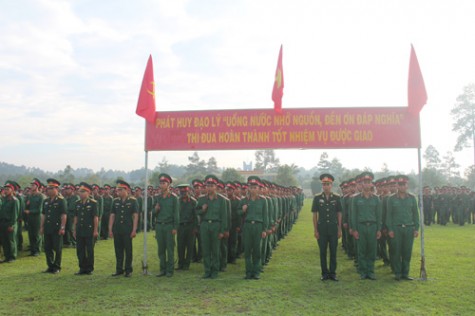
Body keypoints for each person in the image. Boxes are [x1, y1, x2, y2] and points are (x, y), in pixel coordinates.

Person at [386, 175, 420, 281]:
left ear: (407, 185)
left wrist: (416, 228)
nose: (401, 187)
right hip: (396, 228)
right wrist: (390, 229)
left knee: (407, 251)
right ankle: (397, 273)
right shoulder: (391, 199)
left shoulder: (412, 198)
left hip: (409, 228)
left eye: (403, 184)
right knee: (396, 251)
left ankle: (405, 273)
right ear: (397, 186)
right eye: (399, 185)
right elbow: (389, 215)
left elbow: (415, 214)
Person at [350, 172, 382, 280]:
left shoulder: (376, 199)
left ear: (371, 184)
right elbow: (353, 215)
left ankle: (371, 271)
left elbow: (379, 215)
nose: (367, 185)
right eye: (365, 182)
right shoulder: (356, 199)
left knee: (372, 250)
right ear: (362, 184)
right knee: (362, 250)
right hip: (361, 226)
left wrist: (378, 229)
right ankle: (363, 272)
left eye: (369, 182)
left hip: (373, 227)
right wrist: (354, 229)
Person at [312, 174, 342, 281]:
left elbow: (339, 214)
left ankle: (332, 273)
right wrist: (315, 230)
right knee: (323, 252)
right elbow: (315, 215)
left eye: (328, 184)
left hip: (333, 229)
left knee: (333, 252)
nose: (326, 186)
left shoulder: (337, 197)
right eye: (324, 184)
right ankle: (324, 273)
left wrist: (339, 229)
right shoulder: (317, 198)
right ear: (322, 185)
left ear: (331, 185)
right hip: (322, 230)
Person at [196, 175, 227, 279]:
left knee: (215, 250)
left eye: (212, 185)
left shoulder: (222, 200)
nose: (209, 188)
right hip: (204, 225)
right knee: (206, 249)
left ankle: (215, 271)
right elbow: (196, 211)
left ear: (216, 186)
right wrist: (202, 210)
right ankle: (207, 270)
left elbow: (224, 216)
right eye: (208, 185)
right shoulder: (201, 199)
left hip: (216, 225)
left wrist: (222, 231)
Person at [238, 176, 268, 280]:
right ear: (248, 189)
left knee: (256, 250)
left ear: (259, 189)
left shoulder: (263, 201)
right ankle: (248, 272)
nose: (253, 189)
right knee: (247, 250)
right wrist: (243, 210)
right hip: (247, 226)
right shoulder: (243, 201)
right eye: (251, 187)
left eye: (255, 187)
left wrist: (264, 230)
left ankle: (256, 272)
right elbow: (238, 213)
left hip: (258, 226)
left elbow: (265, 216)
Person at [109, 180, 138, 277]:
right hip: (117, 229)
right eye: (117, 190)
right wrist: (110, 229)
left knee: (128, 250)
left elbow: (135, 216)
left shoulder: (133, 201)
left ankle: (128, 270)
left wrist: (134, 230)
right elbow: (112, 215)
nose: (118, 192)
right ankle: (119, 269)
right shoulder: (115, 201)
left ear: (126, 190)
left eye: (120, 190)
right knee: (118, 250)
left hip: (127, 229)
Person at [154, 173, 179, 277]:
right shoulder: (158, 198)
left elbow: (176, 214)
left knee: (170, 248)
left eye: (164, 183)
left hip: (169, 226)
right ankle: (162, 269)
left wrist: (175, 227)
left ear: (168, 184)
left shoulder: (173, 198)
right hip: (159, 225)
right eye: (160, 183)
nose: (162, 185)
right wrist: (155, 210)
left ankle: (170, 270)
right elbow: (153, 212)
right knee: (161, 249)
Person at [40, 179, 67, 273]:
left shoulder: (61, 201)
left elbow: (63, 215)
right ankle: (50, 266)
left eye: (51, 188)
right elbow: (43, 214)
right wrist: (41, 226)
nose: (49, 190)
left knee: (57, 248)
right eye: (48, 188)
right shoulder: (46, 201)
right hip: (47, 227)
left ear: (57, 189)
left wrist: (62, 227)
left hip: (57, 228)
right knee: (47, 247)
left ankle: (57, 266)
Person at [73, 182, 99, 275]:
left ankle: (89, 268)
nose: (80, 193)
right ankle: (82, 267)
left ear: (88, 192)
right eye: (79, 191)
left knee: (89, 250)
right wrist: (74, 229)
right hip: (80, 229)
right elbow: (76, 217)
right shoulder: (77, 203)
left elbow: (95, 217)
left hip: (89, 230)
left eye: (82, 191)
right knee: (80, 250)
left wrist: (96, 230)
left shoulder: (93, 203)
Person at [176, 184, 197, 270]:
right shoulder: (177, 201)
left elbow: (196, 216)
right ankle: (180, 264)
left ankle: (186, 265)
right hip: (180, 226)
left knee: (190, 246)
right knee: (180, 246)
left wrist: (195, 227)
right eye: (181, 192)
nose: (183, 193)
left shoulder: (193, 202)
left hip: (190, 226)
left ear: (188, 191)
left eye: (184, 191)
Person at [24, 178, 45, 256]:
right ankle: (32, 250)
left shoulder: (41, 196)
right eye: (31, 185)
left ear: (37, 186)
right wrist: (27, 204)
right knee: (31, 234)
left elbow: (40, 209)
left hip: (37, 218)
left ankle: (37, 250)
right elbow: (26, 206)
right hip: (30, 218)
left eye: (33, 185)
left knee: (37, 234)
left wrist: (30, 211)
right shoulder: (30, 196)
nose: (31, 186)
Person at [0, 181, 20, 263]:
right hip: (3, 222)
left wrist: (11, 225)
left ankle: (12, 256)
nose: (5, 190)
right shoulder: (3, 199)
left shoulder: (15, 200)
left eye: (8, 189)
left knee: (11, 240)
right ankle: (7, 256)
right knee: (4, 241)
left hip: (10, 222)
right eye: (5, 189)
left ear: (12, 190)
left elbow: (15, 214)